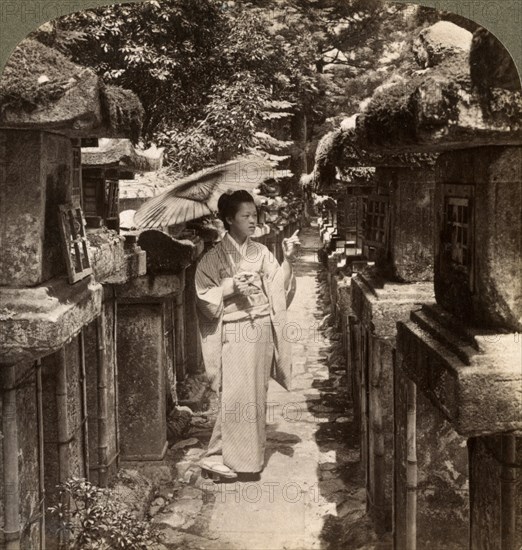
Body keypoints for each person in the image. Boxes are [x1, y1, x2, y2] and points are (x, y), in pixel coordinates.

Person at [195, 190, 301, 480]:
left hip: (262, 328)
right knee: (236, 395)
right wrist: (230, 289)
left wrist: (287, 259)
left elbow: (278, 285)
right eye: (246, 216)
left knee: (255, 396)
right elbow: (204, 297)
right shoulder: (213, 257)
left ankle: (243, 460)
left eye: (254, 215)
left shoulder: (261, 252)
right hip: (236, 330)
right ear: (229, 219)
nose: (253, 220)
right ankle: (219, 457)